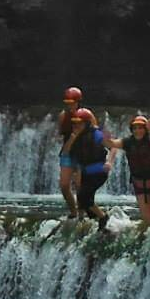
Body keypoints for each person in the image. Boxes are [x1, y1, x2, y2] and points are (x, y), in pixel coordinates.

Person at [108, 115, 150, 238]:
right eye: (135, 128)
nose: (138, 131)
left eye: (141, 128)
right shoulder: (127, 142)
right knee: (146, 214)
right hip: (139, 182)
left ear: (146, 129)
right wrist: (104, 138)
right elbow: (111, 143)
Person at [62, 107, 117, 229]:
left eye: (80, 123)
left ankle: (103, 217)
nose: (77, 125)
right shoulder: (74, 136)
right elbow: (65, 152)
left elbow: (113, 147)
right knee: (83, 200)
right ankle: (87, 221)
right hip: (85, 173)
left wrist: (109, 162)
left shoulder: (96, 134)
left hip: (99, 172)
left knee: (84, 196)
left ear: (86, 124)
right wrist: (73, 136)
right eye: (75, 123)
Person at [58, 86, 85, 218]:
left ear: (78, 102)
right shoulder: (63, 116)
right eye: (67, 103)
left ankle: (81, 214)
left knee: (80, 185)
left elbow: (95, 132)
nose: (70, 106)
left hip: (82, 153)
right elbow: (61, 134)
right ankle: (73, 211)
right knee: (64, 185)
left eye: (72, 103)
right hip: (68, 151)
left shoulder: (86, 115)